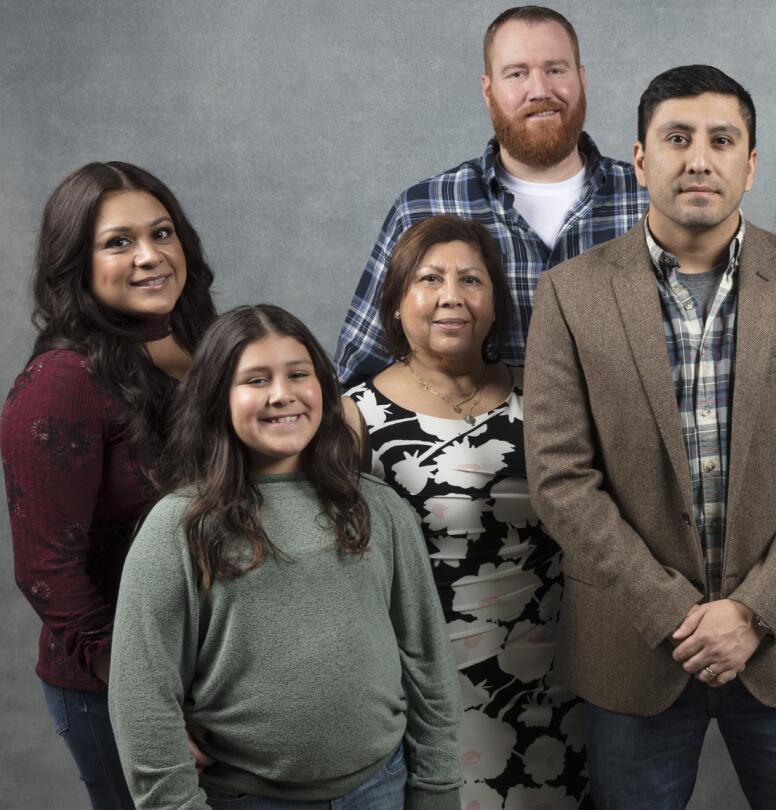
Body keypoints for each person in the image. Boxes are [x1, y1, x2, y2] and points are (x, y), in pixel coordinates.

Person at [524, 65, 776, 810]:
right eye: (676, 139)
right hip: (636, 646)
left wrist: (751, 610)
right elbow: (560, 478)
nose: (698, 159)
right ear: (642, 159)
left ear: (750, 164)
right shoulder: (571, 294)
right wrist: (671, 613)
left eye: (722, 140)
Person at [106, 305, 462, 809]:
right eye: (255, 379)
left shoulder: (379, 509)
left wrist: (437, 787)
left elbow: (427, 660)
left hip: (382, 787)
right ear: (216, 398)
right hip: (245, 797)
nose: (283, 394)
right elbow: (141, 695)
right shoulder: (179, 525)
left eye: (299, 374)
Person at [345, 215, 588, 808]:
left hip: (561, 675)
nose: (452, 295)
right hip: (430, 685)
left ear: (495, 303)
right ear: (397, 303)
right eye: (429, 279)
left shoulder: (547, 394)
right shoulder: (353, 419)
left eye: (471, 280)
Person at [1, 162, 217, 810]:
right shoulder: (60, 383)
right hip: (117, 684)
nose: (150, 256)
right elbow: (47, 570)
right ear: (76, 262)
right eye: (118, 242)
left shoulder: (208, 345)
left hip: (217, 672)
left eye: (162, 233)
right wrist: (147, 703)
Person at [335, 4, 647, 385]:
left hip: (623, 445)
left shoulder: (650, 199)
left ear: (580, 78)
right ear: (488, 89)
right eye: (517, 73)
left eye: (555, 70)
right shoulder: (424, 208)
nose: (540, 90)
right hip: (477, 442)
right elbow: (357, 375)